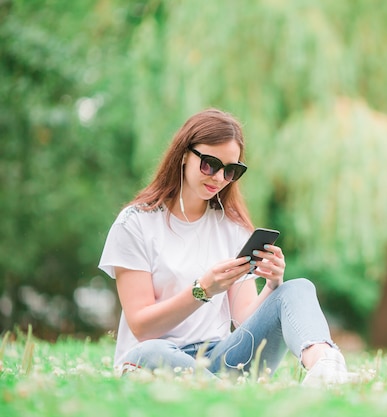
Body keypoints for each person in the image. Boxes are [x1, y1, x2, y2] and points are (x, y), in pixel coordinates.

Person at [98, 108, 355, 386]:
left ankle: (326, 369)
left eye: (231, 170)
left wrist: (272, 285)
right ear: (184, 155)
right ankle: (224, 391)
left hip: (221, 358)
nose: (219, 178)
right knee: (148, 352)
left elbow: (244, 317)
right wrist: (203, 290)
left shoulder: (232, 227)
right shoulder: (136, 223)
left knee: (298, 287)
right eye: (209, 164)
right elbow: (141, 326)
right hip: (157, 357)